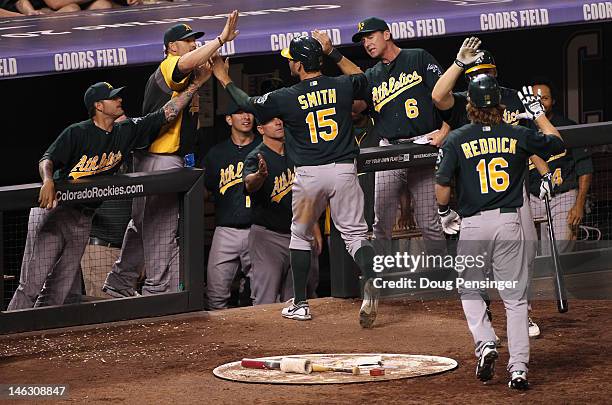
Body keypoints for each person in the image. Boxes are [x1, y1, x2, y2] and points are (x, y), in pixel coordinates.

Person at [210, 36, 380, 327]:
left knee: (299, 237)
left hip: (310, 174)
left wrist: (224, 77)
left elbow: (247, 103)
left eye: (292, 58)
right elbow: (362, 78)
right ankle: (371, 279)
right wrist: (333, 53)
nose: (289, 62)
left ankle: (300, 304)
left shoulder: (287, 95)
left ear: (299, 64)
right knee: (354, 236)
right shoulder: (341, 85)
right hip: (343, 170)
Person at [8, 73, 210, 310]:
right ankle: (11, 338)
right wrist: (48, 180)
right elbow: (47, 159)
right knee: (31, 284)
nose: (119, 100)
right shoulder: (78, 132)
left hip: (83, 218)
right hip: (54, 211)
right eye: (113, 98)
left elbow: (166, 113)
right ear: (98, 106)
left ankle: (44, 337)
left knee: (60, 288)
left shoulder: (125, 131)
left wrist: (196, 84)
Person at [435, 75, 564, 390]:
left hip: (474, 224)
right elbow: (557, 142)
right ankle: (518, 369)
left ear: (471, 106)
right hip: (509, 223)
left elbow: (441, 187)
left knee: (469, 288)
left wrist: (443, 212)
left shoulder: (457, 138)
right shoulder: (518, 133)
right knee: (516, 301)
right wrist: (538, 114)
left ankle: (486, 341)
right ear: (499, 106)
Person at [103, 12, 239, 297]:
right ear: (171, 47)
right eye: (187, 41)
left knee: (143, 225)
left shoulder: (190, 80)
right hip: (160, 159)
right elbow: (186, 63)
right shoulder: (168, 66)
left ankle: (120, 282)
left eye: (194, 40)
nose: (192, 44)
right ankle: (157, 293)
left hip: (158, 159)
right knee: (162, 230)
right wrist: (220, 40)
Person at [431, 37, 549, 338]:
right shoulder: (462, 100)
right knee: (477, 264)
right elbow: (438, 94)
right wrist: (459, 63)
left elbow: (527, 141)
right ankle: (485, 319)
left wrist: (544, 172)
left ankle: (523, 312)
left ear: (495, 72)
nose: (480, 76)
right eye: (474, 71)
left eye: (485, 71)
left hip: (513, 190)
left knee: (527, 251)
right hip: (474, 191)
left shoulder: (512, 97)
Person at [313, 19, 447, 257]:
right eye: (363, 40)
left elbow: (446, 97)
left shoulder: (418, 57)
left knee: (429, 221)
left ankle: (441, 276)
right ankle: (380, 278)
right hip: (389, 150)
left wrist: (444, 131)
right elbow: (361, 81)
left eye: (370, 36)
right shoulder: (374, 74)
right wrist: (332, 55)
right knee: (381, 221)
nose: (366, 43)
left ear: (387, 34)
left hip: (422, 145)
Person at [243, 116, 320, 305]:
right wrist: (259, 176)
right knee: (265, 298)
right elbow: (249, 184)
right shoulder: (256, 155)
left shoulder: (296, 152)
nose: (278, 123)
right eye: (270, 121)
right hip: (268, 237)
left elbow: (307, 193)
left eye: (280, 119)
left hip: (298, 234)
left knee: (295, 297)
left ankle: (291, 335)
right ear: (261, 129)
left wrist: (314, 226)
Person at [203, 102, 260, 310]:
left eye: (249, 113)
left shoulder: (265, 147)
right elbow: (205, 190)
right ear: (229, 120)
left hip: (259, 229)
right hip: (226, 230)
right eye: (239, 113)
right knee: (215, 295)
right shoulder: (217, 154)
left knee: (261, 296)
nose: (246, 117)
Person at [528, 79, 593, 254]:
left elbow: (585, 167)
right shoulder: (521, 130)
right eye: (534, 98)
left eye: (545, 98)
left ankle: (555, 281)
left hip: (562, 195)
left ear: (553, 101)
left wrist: (579, 204)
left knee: (558, 251)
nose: (539, 102)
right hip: (531, 198)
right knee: (527, 253)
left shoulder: (568, 127)